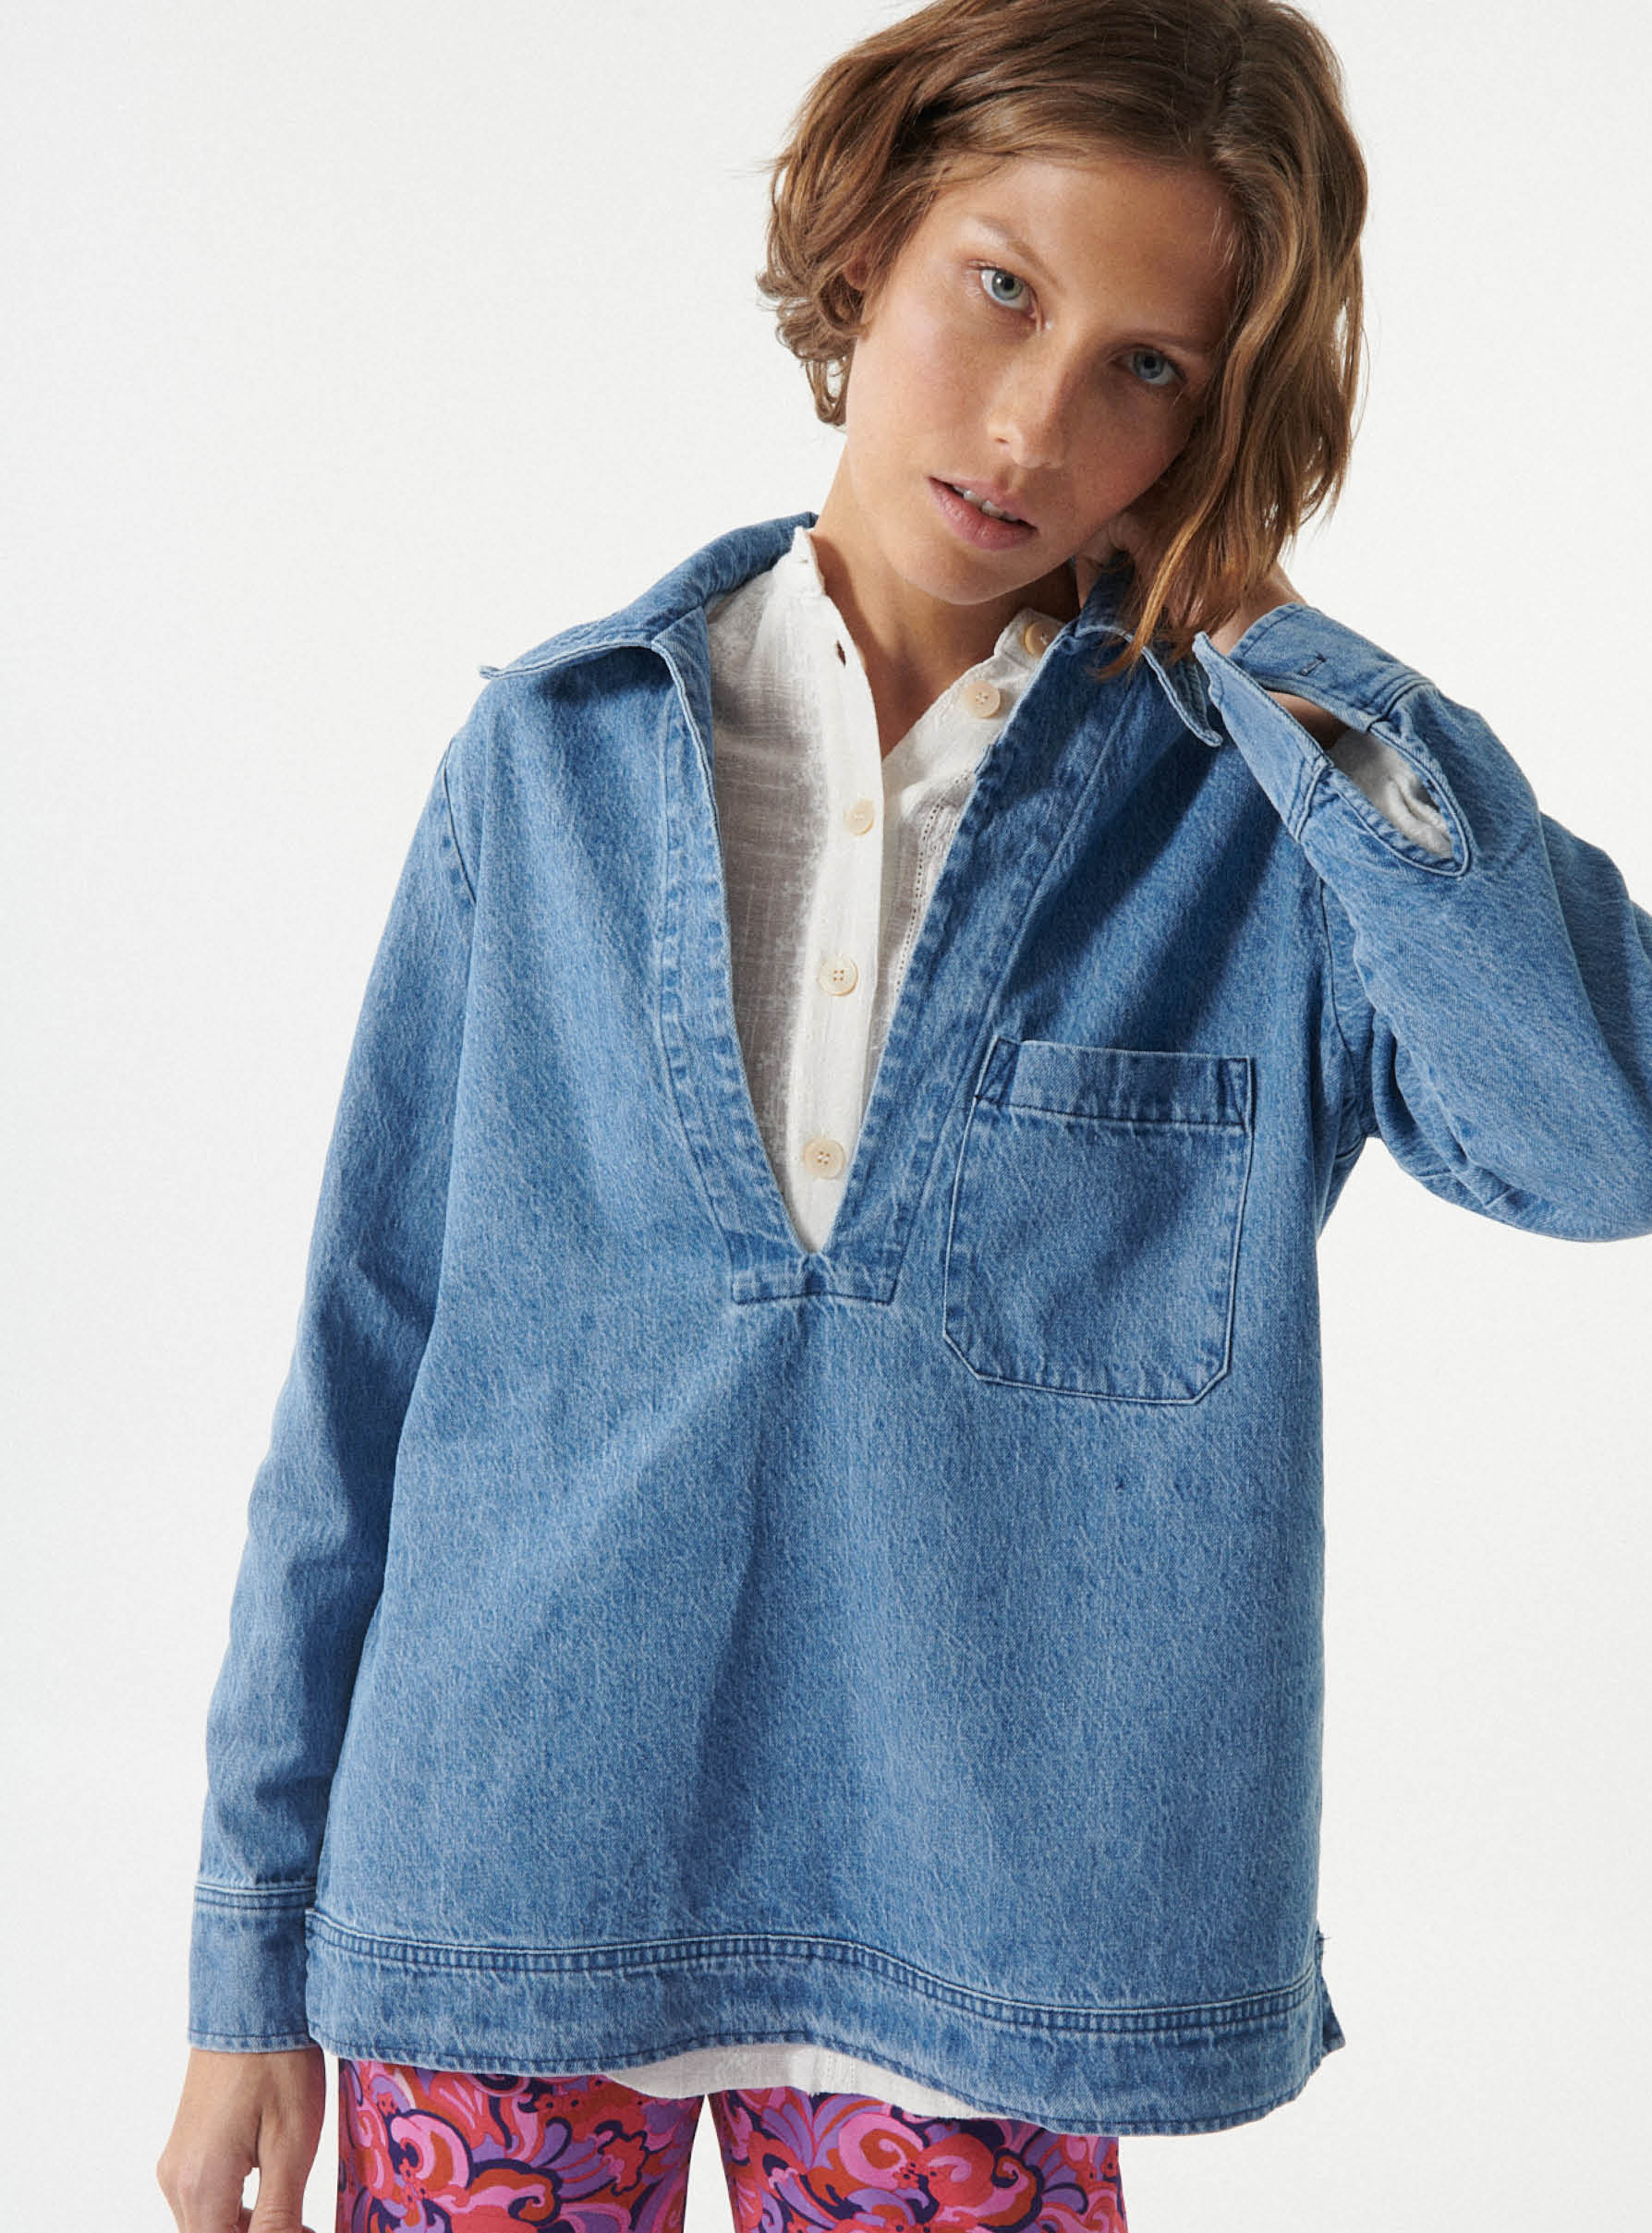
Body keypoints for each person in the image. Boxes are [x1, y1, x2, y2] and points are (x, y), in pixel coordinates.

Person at [157, 0, 1652, 2227]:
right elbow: (363, 1374)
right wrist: (248, 1951)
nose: (1039, 423)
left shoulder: (1262, 818)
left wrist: (1278, 652)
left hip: (996, 1948)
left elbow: (1597, 1144)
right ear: (866, 248)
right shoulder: (554, 764)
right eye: (1003, 287)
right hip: (501, 1892)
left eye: (1153, 368)